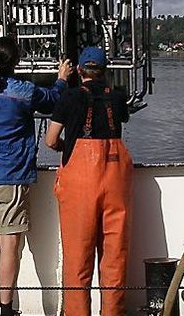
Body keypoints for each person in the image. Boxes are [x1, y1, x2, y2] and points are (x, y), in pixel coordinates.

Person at [0, 36, 74, 316]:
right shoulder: (23, 92)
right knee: (9, 243)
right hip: (9, 178)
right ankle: (6, 310)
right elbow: (52, 100)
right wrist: (61, 78)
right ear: (17, 62)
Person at [44, 47, 132, 316]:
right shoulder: (117, 99)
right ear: (105, 72)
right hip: (115, 179)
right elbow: (119, 124)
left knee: (78, 260)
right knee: (114, 258)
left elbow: (50, 140)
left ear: (79, 70)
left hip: (80, 182)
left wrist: (64, 146)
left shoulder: (68, 98)